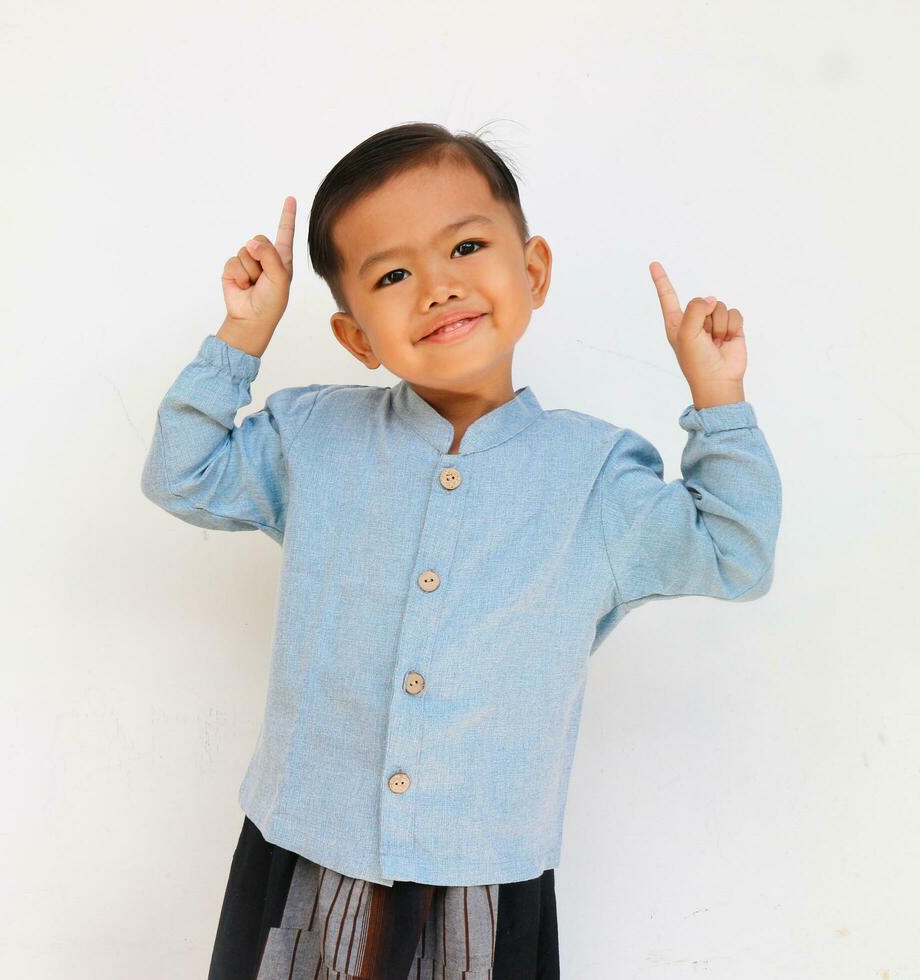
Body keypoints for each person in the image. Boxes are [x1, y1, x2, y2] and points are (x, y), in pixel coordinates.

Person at [139, 122, 783, 980]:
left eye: (467, 246)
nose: (438, 288)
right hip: (305, 843)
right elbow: (180, 475)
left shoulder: (594, 477)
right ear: (358, 337)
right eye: (394, 274)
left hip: (482, 875)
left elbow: (734, 553)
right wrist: (241, 337)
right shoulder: (314, 438)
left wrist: (718, 399)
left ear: (534, 271)